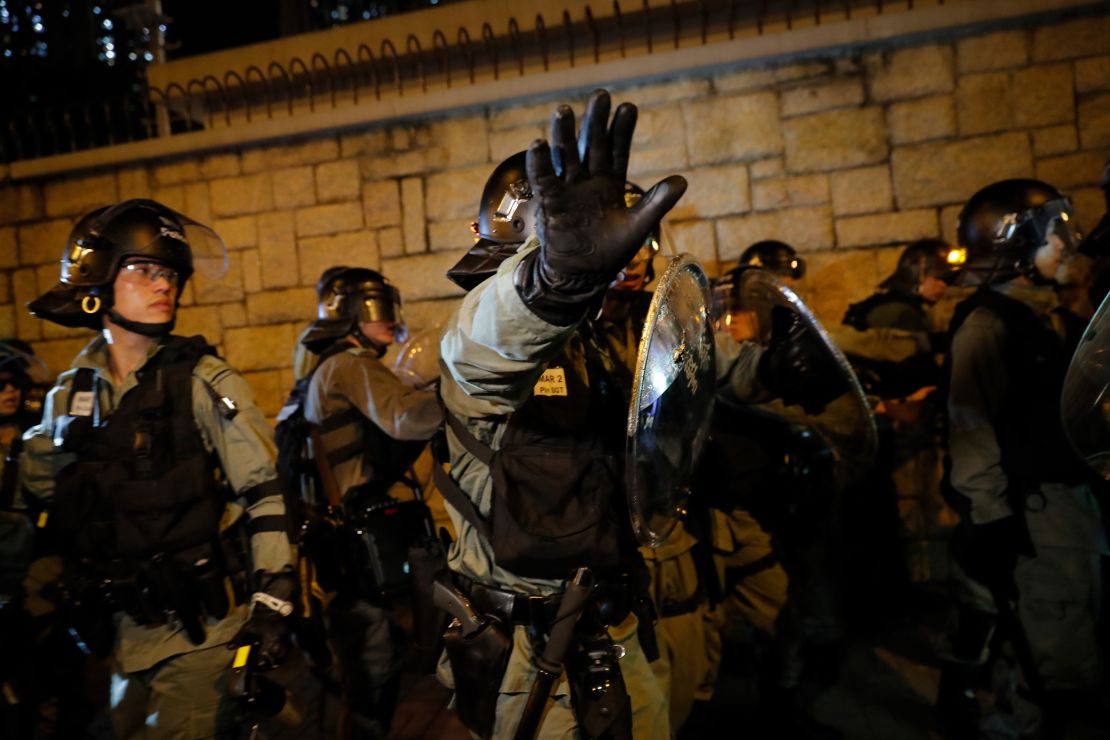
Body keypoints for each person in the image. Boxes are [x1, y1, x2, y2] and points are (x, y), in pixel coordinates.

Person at [433, 90, 687, 740]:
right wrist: (554, 281)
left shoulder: (596, 341)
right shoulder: (487, 329)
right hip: (526, 652)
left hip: (616, 626)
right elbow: (481, 350)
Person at [20, 198, 297, 739]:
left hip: (198, 632)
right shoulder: (73, 390)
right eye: (144, 270)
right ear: (97, 283)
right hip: (122, 635)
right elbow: (39, 491)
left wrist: (273, 599)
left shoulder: (202, 380)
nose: (163, 284)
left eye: (169, 273)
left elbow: (264, 494)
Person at [940, 179, 1106, 737]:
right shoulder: (988, 324)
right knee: (1056, 668)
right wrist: (993, 524)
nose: (1066, 245)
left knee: (1081, 644)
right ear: (1014, 246)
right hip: (1038, 520)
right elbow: (972, 435)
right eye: (1052, 234)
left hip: (1070, 511)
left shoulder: (1041, 315)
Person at [298, 265, 443, 737]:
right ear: (349, 315)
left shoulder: (322, 365)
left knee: (370, 680)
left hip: (346, 547)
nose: (388, 318)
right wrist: (465, 391)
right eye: (376, 307)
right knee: (374, 683)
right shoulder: (350, 364)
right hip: (359, 552)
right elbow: (407, 418)